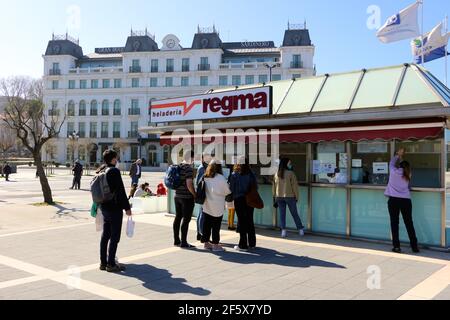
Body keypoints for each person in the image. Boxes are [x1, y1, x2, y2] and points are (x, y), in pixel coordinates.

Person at [97, 149, 132, 273]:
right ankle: (111, 264)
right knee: (115, 236)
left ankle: (103, 262)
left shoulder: (102, 170)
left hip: (104, 207)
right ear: (113, 159)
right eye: (116, 158)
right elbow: (120, 191)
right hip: (114, 208)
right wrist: (127, 208)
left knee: (105, 235)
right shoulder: (114, 171)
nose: (117, 160)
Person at [385, 148, 419, 254]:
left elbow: (391, 163)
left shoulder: (394, 171)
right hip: (406, 201)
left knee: (394, 223)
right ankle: (414, 247)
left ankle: (396, 247)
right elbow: (404, 167)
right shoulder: (408, 174)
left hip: (394, 201)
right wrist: (401, 158)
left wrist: (398, 155)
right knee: (409, 223)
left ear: (399, 166)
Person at [202, 161, 231, 252]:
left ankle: (206, 243)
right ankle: (215, 245)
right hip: (217, 205)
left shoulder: (205, 176)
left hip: (206, 205)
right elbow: (227, 191)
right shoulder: (221, 178)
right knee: (216, 226)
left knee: (206, 224)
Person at [229, 160, 257, 251]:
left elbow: (231, 188)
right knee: (250, 219)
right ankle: (252, 243)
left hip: (239, 199)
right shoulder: (251, 173)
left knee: (241, 221)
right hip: (249, 199)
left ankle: (243, 244)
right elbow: (256, 187)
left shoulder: (234, 174)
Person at [273, 158, 305, 238]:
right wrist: (297, 197)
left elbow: (274, 186)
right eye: (289, 163)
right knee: (294, 213)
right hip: (290, 196)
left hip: (279, 197)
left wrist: (274, 196)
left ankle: (283, 231)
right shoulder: (291, 173)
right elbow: (295, 186)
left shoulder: (276, 173)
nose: (290, 164)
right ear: (286, 164)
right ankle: (300, 229)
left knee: (282, 214)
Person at [173, 151, 196, 248]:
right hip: (186, 197)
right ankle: (184, 242)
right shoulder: (188, 168)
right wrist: (194, 194)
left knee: (178, 217)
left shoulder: (179, 166)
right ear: (191, 158)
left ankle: (176, 240)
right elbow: (189, 184)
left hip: (177, 196)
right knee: (186, 219)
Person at [195, 154, 211, 241]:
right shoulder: (202, 168)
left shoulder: (204, 166)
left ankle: (199, 233)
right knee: (202, 214)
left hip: (203, 193)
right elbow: (199, 182)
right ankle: (201, 234)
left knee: (201, 213)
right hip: (203, 193)